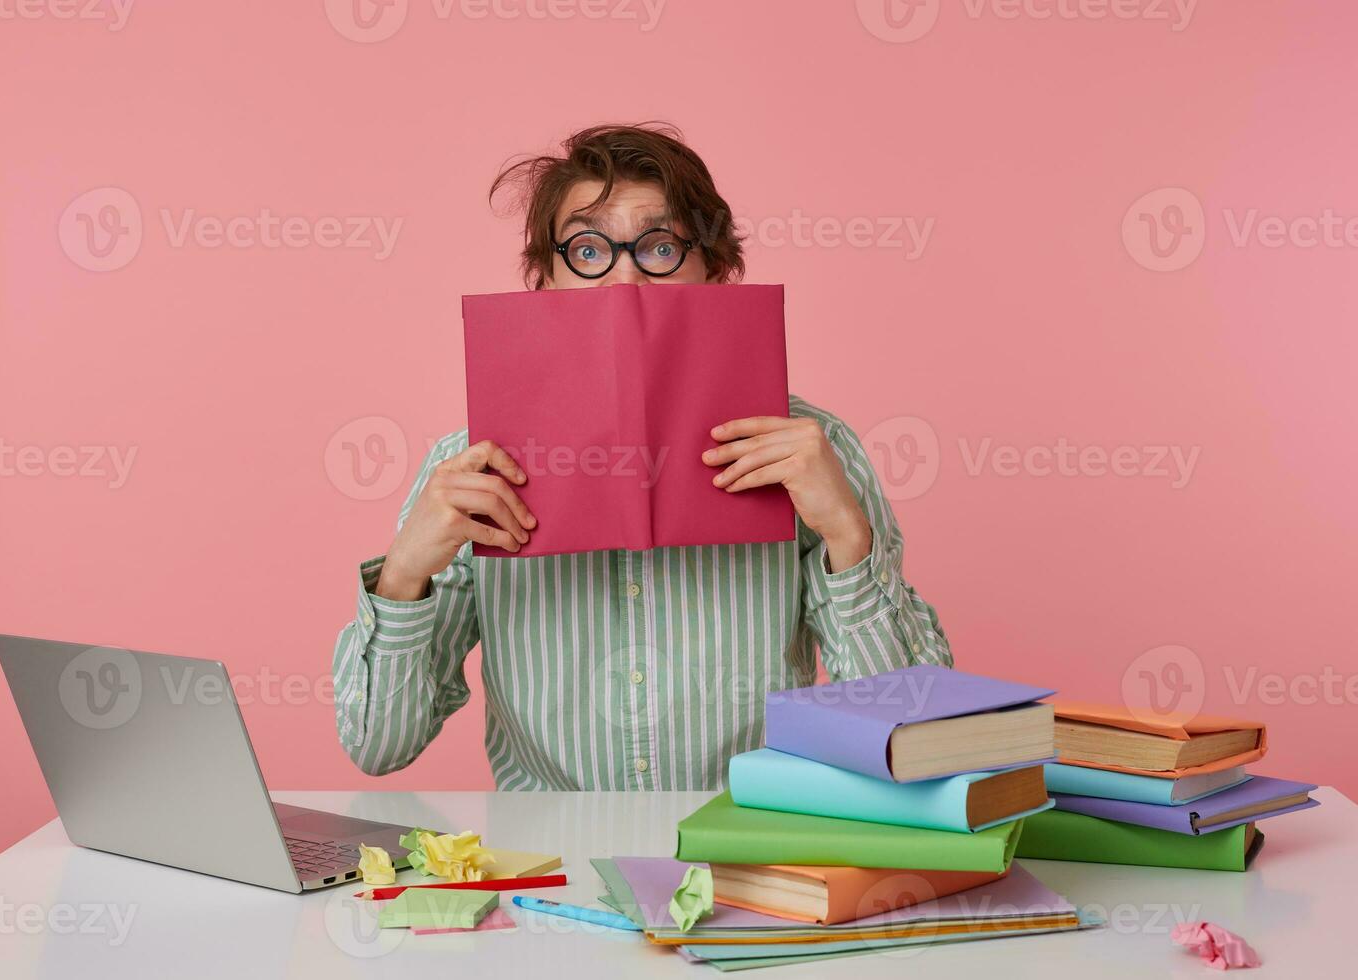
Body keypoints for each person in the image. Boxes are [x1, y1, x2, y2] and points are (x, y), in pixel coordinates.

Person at [333, 123, 951, 790]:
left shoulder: (808, 449)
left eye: (659, 247)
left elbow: (917, 743)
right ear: (542, 280)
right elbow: (376, 746)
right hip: (552, 860)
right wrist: (402, 578)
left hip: (748, 855)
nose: (624, 278)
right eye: (588, 249)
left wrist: (848, 539)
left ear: (716, 272)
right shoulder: (471, 470)